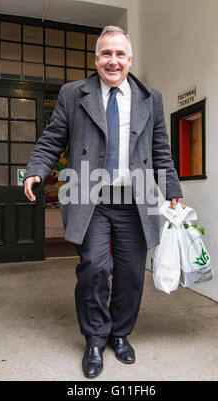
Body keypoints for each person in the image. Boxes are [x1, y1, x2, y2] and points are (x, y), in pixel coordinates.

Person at [24, 26, 183, 379]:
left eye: (120, 54)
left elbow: (160, 149)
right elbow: (53, 138)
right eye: (106, 54)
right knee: (94, 268)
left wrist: (172, 188)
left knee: (130, 274)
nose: (113, 61)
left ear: (130, 59)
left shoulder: (150, 98)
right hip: (90, 195)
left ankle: (120, 334)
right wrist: (36, 169)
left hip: (135, 197)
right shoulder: (71, 94)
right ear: (96, 59)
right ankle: (95, 338)